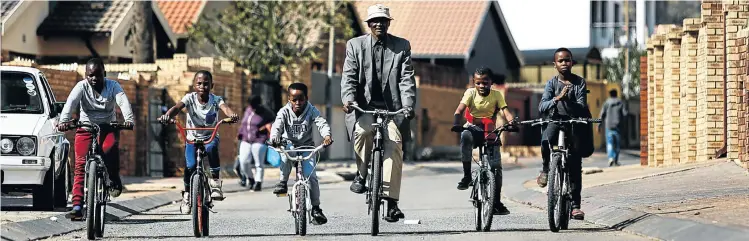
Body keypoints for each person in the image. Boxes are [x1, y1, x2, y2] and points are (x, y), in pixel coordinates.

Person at [340, 3, 416, 223]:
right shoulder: (355, 45)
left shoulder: (402, 46)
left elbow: (406, 80)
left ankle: (392, 202)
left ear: (388, 23)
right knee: (363, 132)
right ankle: (362, 173)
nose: (379, 24)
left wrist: (408, 105)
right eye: (375, 21)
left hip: (392, 109)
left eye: (383, 20)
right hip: (365, 106)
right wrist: (349, 100)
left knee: (394, 142)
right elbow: (349, 77)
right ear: (369, 24)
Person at [57, 58, 135, 220]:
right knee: (79, 165)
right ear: (86, 75)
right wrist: (64, 121)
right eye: (90, 75)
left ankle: (113, 177)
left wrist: (128, 119)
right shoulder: (81, 86)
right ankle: (77, 206)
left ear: (104, 74)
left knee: (110, 149)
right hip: (85, 128)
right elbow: (70, 103)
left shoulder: (113, 86)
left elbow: (123, 102)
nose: (94, 79)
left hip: (107, 127)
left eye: (98, 75)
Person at [159, 70, 238, 214]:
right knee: (190, 166)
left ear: (212, 86)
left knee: (211, 148)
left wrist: (231, 115)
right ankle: (188, 195)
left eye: (206, 84)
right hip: (192, 138)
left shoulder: (216, 100)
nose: (202, 86)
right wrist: (167, 115)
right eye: (199, 83)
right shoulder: (189, 98)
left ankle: (215, 183)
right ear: (194, 86)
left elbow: (225, 108)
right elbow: (177, 108)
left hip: (210, 136)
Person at [451, 67, 515, 215]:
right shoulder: (470, 93)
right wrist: (456, 122)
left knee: (496, 168)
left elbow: (506, 111)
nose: (481, 86)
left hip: (490, 131)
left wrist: (512, 123)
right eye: (478, 83)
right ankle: (467, 176)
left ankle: (496, 201)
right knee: (465, 136)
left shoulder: (497, 95)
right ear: (474, 82)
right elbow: (459, 110)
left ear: (491, 82)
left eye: (485, 83)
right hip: (473, 129)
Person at [537, 48, 590, 220]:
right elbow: (542, 106)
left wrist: (569, 100)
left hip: (573, 123)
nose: (564, 63)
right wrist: (557, 98)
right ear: (555, 65)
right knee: (546, 141)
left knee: (575, 164)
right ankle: (546, 169)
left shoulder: (579, 82)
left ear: (572, 63)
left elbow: (582, 106)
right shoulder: (551, 84)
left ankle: (575, 206)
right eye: (561, 61)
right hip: (556, 120)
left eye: (568, 60)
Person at [269, 83, 333, 225]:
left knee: (312, 177)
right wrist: (274, 139)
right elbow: (277, 126)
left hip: (307, 147)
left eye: (301, 99)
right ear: (289, 99)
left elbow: (321, 122)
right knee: (285, 154)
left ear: (306, 98)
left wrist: (327, 136)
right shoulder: (284, 111)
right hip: (289, 144)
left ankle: (316, 208)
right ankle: (283, 182)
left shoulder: (311, 110)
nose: (298, 103)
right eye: (294, 99)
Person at [237, 95, 274, 191]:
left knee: (259, 163)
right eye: (251, 105)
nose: (252, 107)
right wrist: (240, 133)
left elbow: (274, 121)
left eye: (254, 105)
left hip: (259, 139)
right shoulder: (248, 110)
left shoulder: (265, 112)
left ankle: (258, 182)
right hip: (246, 139)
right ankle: (251, 178)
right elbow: (244, 123)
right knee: (243, 162)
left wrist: (266, 126)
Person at [599, 89, 627, 167]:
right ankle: (616, 160)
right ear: (616, 94)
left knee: (610, 143)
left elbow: (602, 115)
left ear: (610, 94)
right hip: (618, 126)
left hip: (608, 126)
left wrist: (599, 125)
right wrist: (623, 123)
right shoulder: (620, 102)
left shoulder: (606, 103)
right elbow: (625, 114)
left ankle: (611, 158)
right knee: (617, 145)